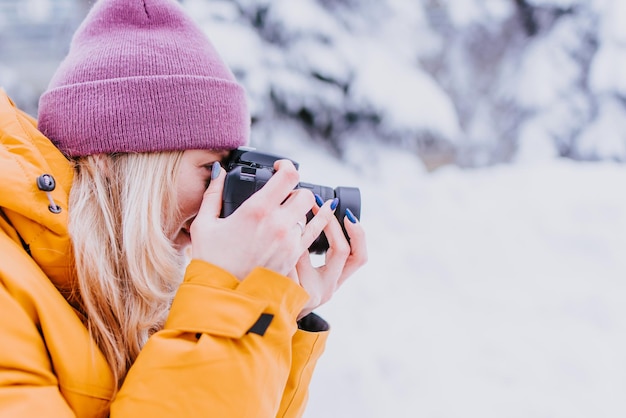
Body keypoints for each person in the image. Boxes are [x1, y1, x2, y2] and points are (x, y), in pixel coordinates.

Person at [0, 0, 367, 416]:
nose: (222, 201)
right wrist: (228, 304)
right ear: (115, 159)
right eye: (211, 169)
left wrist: (274, 312)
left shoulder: (116, 292)